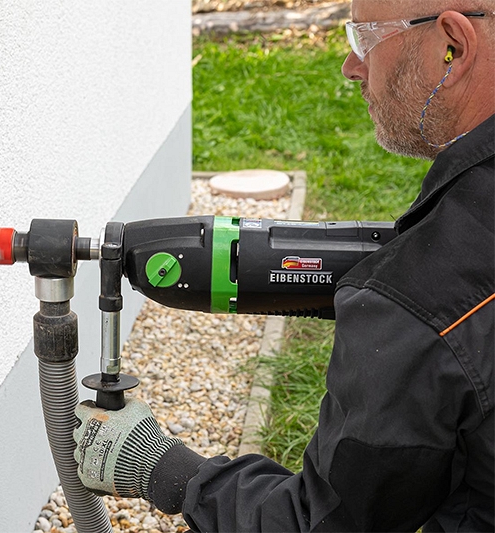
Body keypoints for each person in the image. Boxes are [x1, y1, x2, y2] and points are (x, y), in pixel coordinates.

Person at [73, 1, 495, 530]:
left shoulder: (419, 305)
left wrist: (162, 467)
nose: (351, 66)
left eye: (364, 39)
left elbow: (317, 523)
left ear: (452, 47)